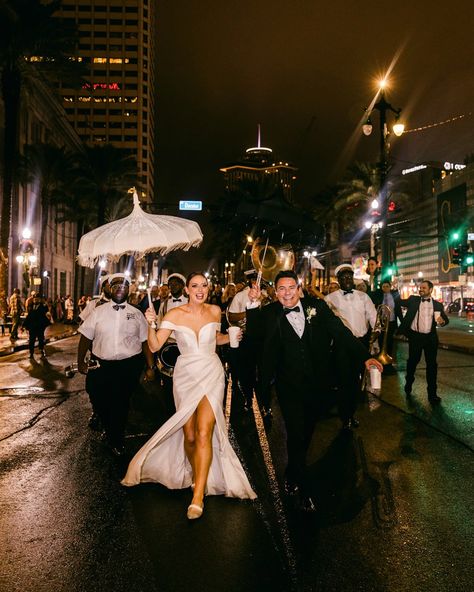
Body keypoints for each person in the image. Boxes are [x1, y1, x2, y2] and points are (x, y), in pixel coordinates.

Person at [121, 272, 256, 519]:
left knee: (205, 431)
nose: (200, 289)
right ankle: (197, 472)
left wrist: (232, 336)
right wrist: (150, 322)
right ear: (187, 290)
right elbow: (153, 346)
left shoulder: (215, 311)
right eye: (195, 286)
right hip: (185, 376)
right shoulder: (174, 314)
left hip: (211, 372)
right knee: (190, 434)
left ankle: (198, 496)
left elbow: (216, 339)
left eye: (204, 285)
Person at [246, 270, 382, 512]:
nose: (286, 293)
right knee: (296, 433)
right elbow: (254, 334)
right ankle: (301, 488)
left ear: (299, 288)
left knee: (306, 432)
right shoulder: (269, 313)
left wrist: (365, 358)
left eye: (291, 288)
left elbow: (340, 333)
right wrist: (253, 304)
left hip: (318, 385)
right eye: (281, 289)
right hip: (288, 387)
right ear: (275, 292)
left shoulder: (316, 307)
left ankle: (292, 469)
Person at [77, 273, 154, 456]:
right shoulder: (97, 312)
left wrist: (150, 367)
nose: (120, 288)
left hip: (127, 366)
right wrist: (80, 361)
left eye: (124, 285)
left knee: (120, 403)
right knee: (98, 398)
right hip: (101, 365)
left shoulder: (136, 314)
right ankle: (107, 424)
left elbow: (145, 342)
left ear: (129, 290)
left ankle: (116, 439)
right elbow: (85, 337)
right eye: (116, 285)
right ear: (109, 289)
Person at [325, 264, 377, 429]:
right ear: (338, 280)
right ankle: (345, 416)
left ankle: (351, 413)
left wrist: (377, 332)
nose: (347, 280)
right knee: (343, 381)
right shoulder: (330, 298)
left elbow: (373, 317)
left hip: (360, 344)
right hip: (342, 346)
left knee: (356, 382)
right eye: (343, 277)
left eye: (349, 277)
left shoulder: (364, 296)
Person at [397, 280, 449, 404]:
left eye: (423, 288)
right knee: (412, 362)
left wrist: (442, 322)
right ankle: (409, 382)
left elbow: (445, 320)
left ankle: (432, 394)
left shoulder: (437, 305)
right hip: (416, 337)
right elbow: (397, 302)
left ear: (430, 290)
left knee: (432, 366)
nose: (420, 289)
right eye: (420, 287)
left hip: (430, 339)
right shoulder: (413, 300)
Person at [370, 279, 401, 374]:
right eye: (383, 286)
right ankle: (381, 364)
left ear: (390, 286)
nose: (385, 288)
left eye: (387, 286)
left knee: (390, 343)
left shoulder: (395, 295)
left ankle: (389, 364)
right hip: (382, 323)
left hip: (391, 322)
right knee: (381, 342)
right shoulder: (379, 295)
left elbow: (398, 309)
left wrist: (402, 323)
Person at [23, 293, 52, 358]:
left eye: (37, 299)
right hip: (32, 327)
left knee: (41, 339)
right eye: (34, 299)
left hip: (40, 326)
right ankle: (31, 353)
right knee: (31, 340)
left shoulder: (43, 307)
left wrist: (46, 323)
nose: (35, 300)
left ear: (40, 300)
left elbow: (47, 316)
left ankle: (42, 350)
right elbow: (29, 316)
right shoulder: (31, 306)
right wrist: (24, 325)